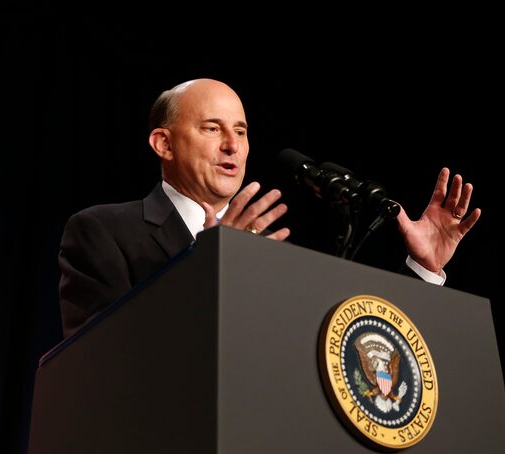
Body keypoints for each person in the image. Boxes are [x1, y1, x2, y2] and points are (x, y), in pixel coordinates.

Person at [58, 78, 480, 338]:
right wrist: (207, 266)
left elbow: (352, 350)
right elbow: (100, 358)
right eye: (212, 128)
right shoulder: (103, 231)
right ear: (163, 144)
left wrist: (422, 271)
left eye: (240, 131)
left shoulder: (275, 253)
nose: (232, 145)